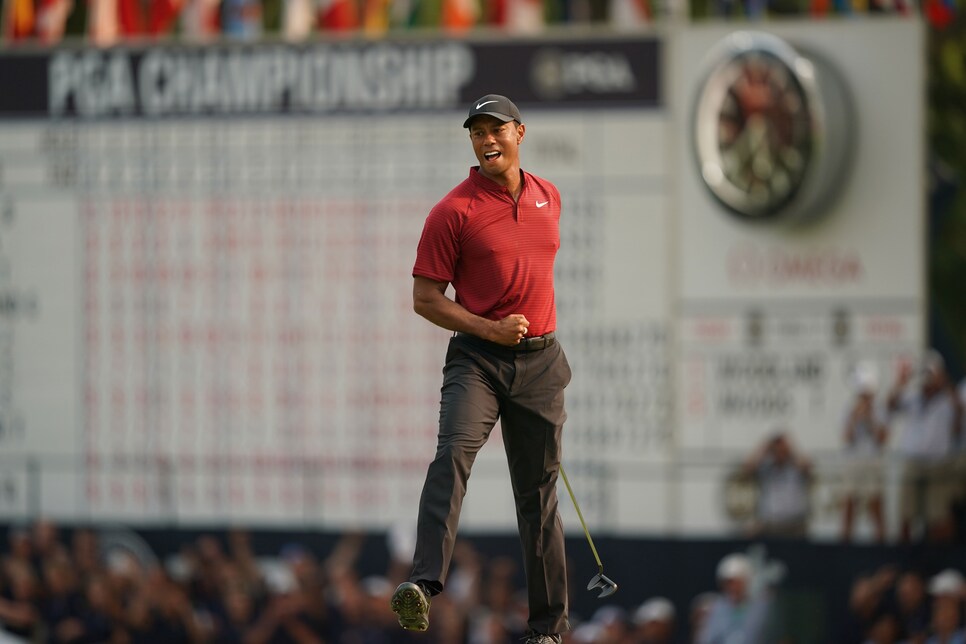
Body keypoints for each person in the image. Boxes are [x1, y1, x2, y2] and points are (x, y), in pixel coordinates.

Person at [390, 94, 572, 644]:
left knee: (537, 494)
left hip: (540, 364)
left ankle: (547, 631)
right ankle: (423, 584)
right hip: (478, 359)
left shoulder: (549, 196)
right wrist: (489, 328)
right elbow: (425, 298)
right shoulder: (453, 211)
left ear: (520, 132)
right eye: (477, 133)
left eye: (496, 130)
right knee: (453, 455)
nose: (487, 140)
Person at [887, 351, 960, 543]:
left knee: (939, 518)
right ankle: (905, 561)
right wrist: (903, 381)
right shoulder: (912, 397)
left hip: (938, 465)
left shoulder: (948, 399)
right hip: (912, 463)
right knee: (905, 516)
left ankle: (941, 562)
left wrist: (943, 382)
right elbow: (890, 405)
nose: (927, 380)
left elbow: (960, 413)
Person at [840, 363, 890, 543]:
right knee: (849, 502)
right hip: (854, 460)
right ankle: (845, 543)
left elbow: (883, 439)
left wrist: (870, 419)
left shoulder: (880, 409)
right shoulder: (849, 408)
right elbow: (847, 437)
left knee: (875, 502)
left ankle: (880, 542)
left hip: (872, 460)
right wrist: (854, 418)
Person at [742, 431, 813, 539]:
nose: (779, 453)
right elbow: (748, 468)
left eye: (782, 450)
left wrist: (790, 450)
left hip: (795, 525)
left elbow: (807, 467)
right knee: (749, 533)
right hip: (771, 525)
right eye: (776, 450)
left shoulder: (795, 468)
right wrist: (765, 447)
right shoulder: (766, 468)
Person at [696, 553, 774, 644]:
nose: (733, 587)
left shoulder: (761, 608)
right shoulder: (715, 608)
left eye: (737, 583)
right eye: (728, 583)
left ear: (747, 581)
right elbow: (705, 639)